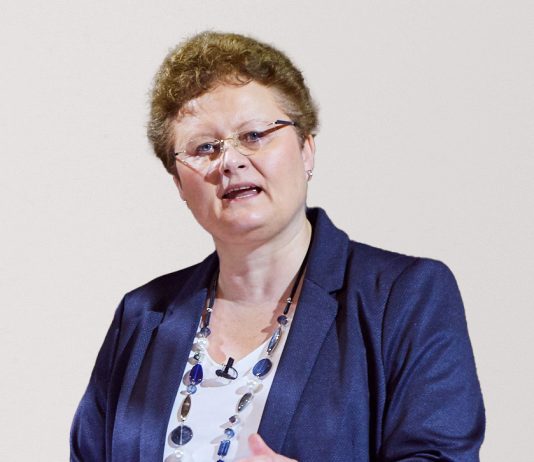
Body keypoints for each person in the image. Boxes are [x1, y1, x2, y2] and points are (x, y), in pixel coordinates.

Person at [70, 31, 485, 462]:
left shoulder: (404, 297)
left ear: (306, 150)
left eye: (253, 135)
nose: (230, 161)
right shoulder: (142, 316)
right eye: (205, 148)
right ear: (178, 183)